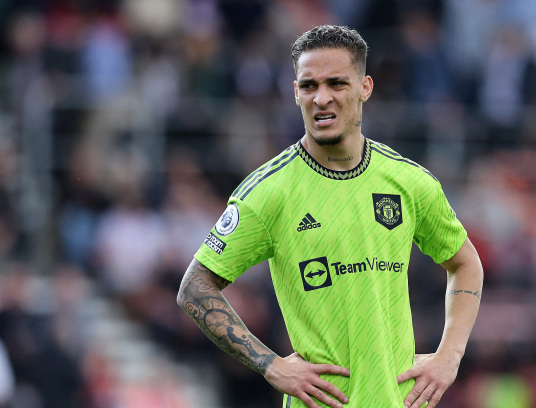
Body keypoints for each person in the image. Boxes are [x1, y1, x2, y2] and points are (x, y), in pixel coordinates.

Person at [177, 25, 483, 408]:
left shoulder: (409, 182)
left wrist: (449, 357)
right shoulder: (269, 192)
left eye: (336, 83)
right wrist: (271, 365)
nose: (321, 98)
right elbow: (194, 287)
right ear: (295, 93)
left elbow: (466, 262)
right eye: (309, 86)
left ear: (365, 87)